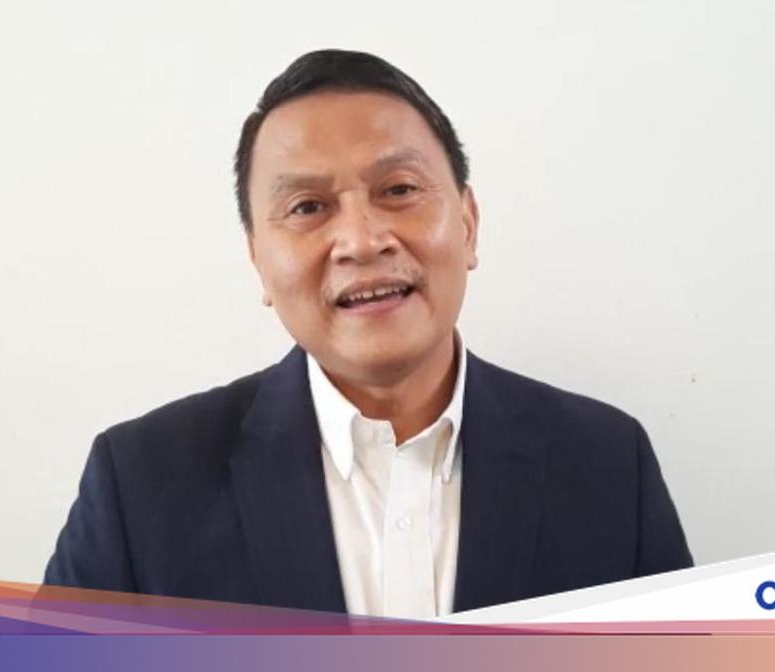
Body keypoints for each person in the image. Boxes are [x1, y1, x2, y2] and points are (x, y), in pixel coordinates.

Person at [43, 49, 692, 618]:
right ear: (258, 260)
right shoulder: (142, 484)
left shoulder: (608, 466)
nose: (361, 239)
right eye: (308, 207)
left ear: (468, 224)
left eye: (399, 189)